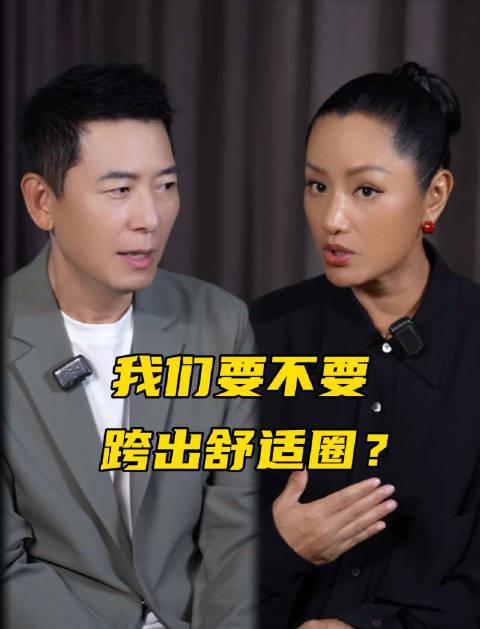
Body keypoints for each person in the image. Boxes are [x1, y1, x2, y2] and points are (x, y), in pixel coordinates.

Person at [1, 63, 256, 629]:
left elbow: (235, 532)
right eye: (119, 190)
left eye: (165, 186)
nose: (150, 218)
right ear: (42, 201)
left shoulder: (221, 325)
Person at [251, 62, 480, 629]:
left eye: (366, 190)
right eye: (317, 186)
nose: (332, 219)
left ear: (434, 196)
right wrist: (280, 547)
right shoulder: (256, 336)